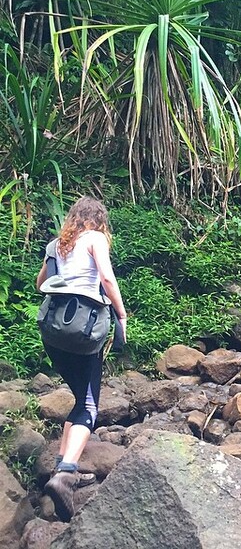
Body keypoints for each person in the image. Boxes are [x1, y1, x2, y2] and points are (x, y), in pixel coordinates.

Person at [36, 196, 127, 522]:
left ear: (73, 218)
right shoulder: (95, 238)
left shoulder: (56, 244)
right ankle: (66, 474)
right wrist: (121, 313)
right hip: (82, 332)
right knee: (89, 406)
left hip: (52, 333)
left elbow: (41, 284)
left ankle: (62, 469)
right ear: (99, 219)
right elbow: (106, 277)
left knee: (78, 397)